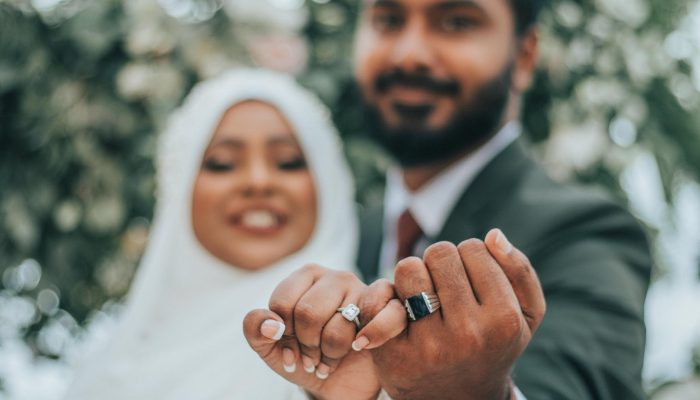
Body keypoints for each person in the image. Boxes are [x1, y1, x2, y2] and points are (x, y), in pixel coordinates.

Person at [245, 0, 652, 399]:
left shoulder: (586, 232)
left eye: (456, 21)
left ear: (524, 55)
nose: (410, 54)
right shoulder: (354, 230)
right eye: (388, 19)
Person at [63, 68, 360, 399]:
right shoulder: (109, 369)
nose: (258, 182)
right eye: (223, 163)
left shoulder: (367, 348)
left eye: (288, 162)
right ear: (180, 193)